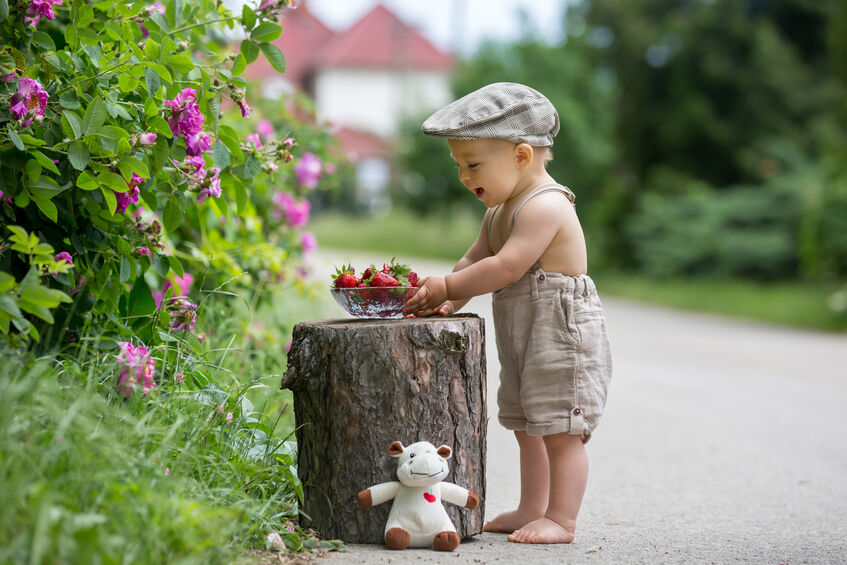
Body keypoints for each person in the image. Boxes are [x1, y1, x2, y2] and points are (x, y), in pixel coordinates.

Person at [404, 82, 613, 544]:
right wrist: (448, 298)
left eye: (473, 164)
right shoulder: (497, 210)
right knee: (525, 425)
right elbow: (473, 261)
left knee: (560, 429)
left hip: (562, 335)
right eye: (458, 165)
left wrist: (451, 285)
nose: (463, 176)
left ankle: (562, 518)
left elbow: (506, 266)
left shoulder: (546, 205)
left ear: (522, 156)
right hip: (525, 336)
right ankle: (530, 507)